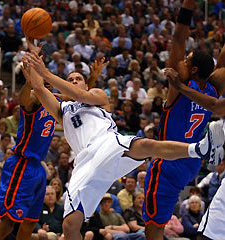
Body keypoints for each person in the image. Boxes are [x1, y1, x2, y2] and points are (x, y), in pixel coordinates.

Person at [26, 48, 224, 240]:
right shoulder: (62, 110)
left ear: (87, 85)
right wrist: (33, 53)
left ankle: (199, 148)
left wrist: (45, 72)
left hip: (107, 143)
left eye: (78, 79)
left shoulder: (97, 95)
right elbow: (39, 88)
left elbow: (80, 96)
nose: (73, 81)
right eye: (70, 79)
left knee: (147, 145)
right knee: (69, 226)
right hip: (85, 162)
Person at [0, 38, 106, 240]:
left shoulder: (57, 101)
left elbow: (80, 95)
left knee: (29, 224)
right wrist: (28, 81)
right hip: (22, 165)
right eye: (45, 81)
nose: (49, 84)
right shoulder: (34, 98)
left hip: (38, 170)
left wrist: (92, 79)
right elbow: (23, 100)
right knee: (8, 224)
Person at [142, 0, 222, 239]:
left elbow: (178, 38)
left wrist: (187, 5)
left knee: (153, 228)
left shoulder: (178, 86)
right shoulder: (214, 88)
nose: (181, 61)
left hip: (168, 161)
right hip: (191, 163)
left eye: (186, 60)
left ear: (194, 70)